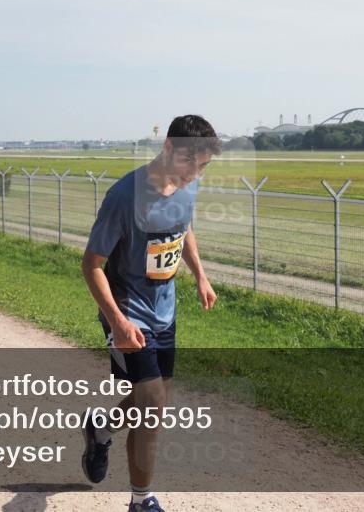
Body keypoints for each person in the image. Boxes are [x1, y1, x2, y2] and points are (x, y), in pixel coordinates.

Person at [80, 115, 221, 512]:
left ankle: (101, 430)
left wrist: (200, 276)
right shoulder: (125, 196)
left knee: (153, 400)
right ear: (167, 149)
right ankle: (141, 501)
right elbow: (91, 264)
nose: (195, 174)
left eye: (203, 167)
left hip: (165, 310)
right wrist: (117, 322)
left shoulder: (186, 186)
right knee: (153, 403)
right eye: (190, 163)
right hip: (128, 312)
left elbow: (183, 227)